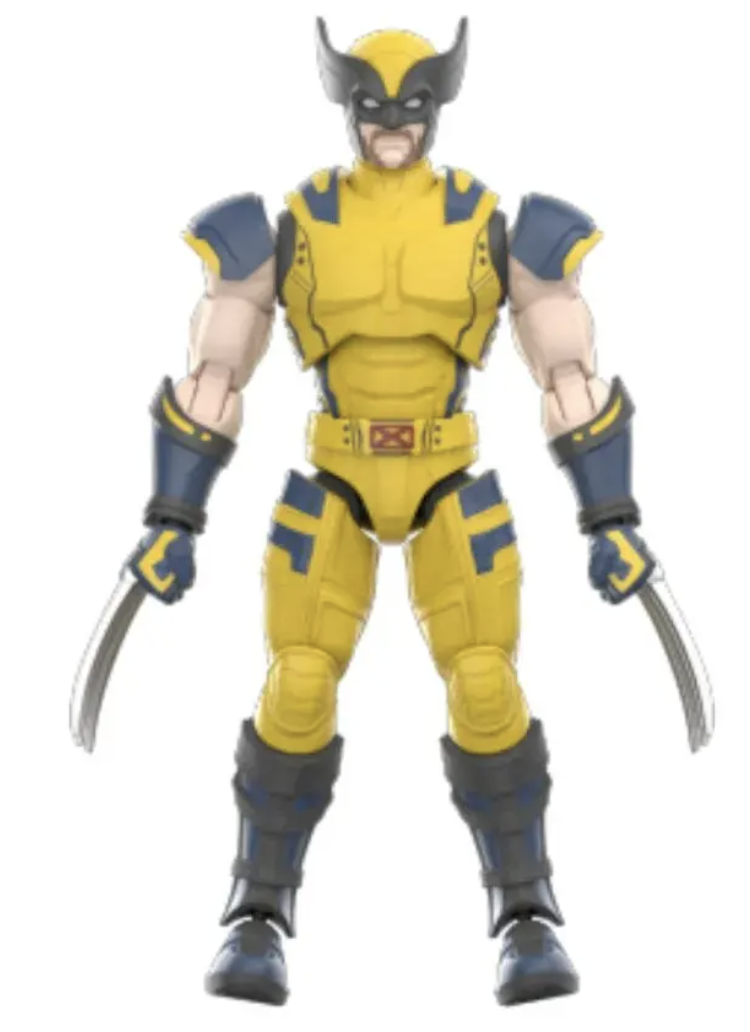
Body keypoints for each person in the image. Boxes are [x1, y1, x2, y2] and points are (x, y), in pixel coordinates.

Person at [128, 17, 653, 1008]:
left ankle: (527, 914)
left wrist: (610, 516)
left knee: (486, 682)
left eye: (412, 107)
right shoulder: (295, 222)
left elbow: (569, 371)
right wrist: (173, 517)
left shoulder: (490, 221)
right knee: (297, 682)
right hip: (336, 473)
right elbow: (214, 374)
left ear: (438, 106)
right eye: (375, 107)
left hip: (449, 471)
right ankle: (255, 915)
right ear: (348, 105)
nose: (394, 126)